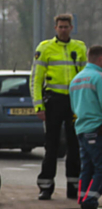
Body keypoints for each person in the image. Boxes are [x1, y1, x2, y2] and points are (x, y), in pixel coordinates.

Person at [31, 14, 86, 199]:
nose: (63, 29)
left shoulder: (79, 47)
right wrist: (39, 106)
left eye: (66, 26)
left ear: (71, 27)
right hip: (54, 101)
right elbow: (36, 79)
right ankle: (46, 187)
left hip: (74, 102)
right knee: (51, 146)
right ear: (55, 28)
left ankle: (73, 186)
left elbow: (86, 76)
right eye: (60, 27)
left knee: (75, 145)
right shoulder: (45, 48)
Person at [69, 44, 102, 209]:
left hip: (82, 129)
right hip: (97, 129)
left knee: (87, 169)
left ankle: (84, 205)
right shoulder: (99, 77)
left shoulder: (76, 79)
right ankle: (90, 205)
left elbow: (74, 107)